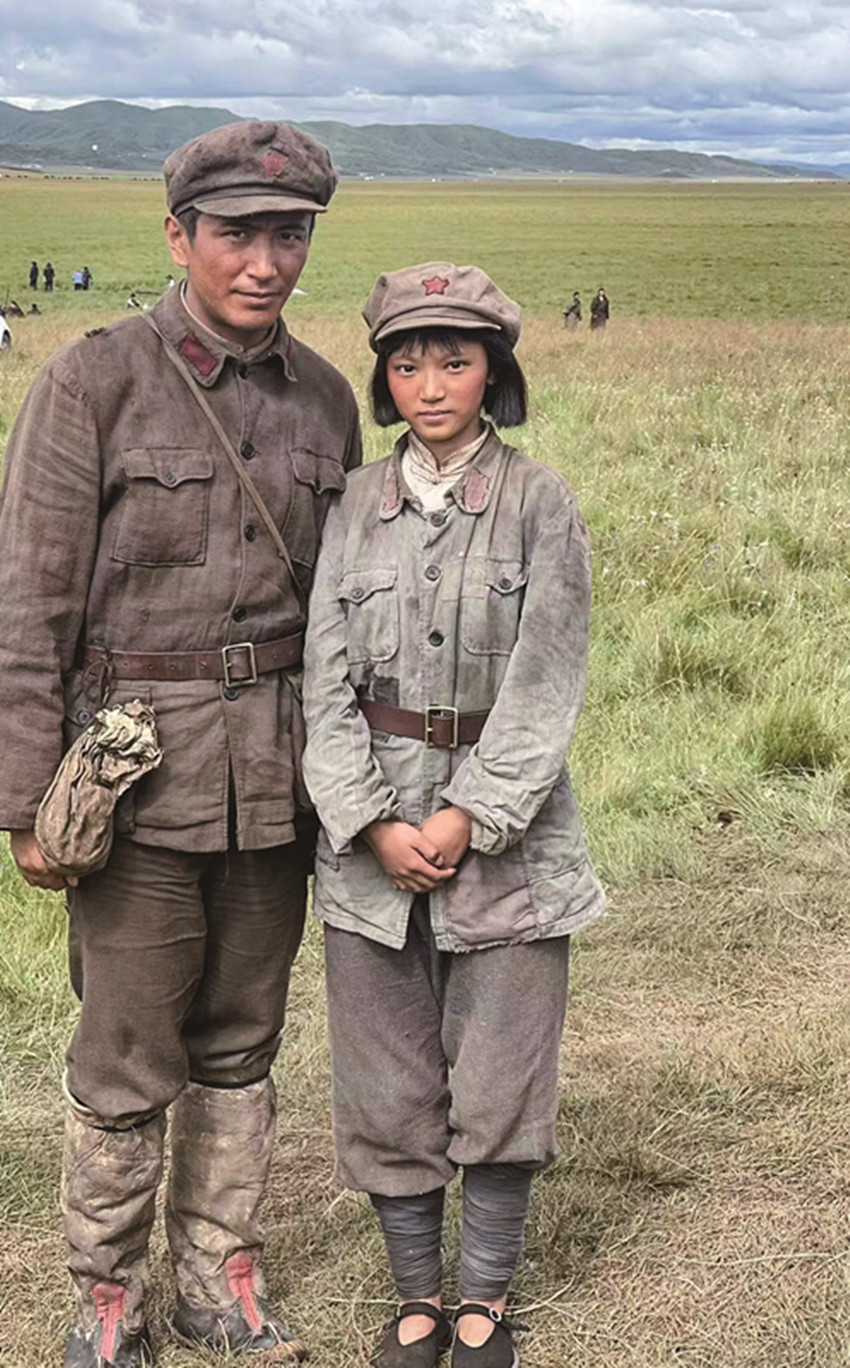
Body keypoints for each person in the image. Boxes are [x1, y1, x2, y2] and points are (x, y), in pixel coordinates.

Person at [0, 120, 361, 1368]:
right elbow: (28, 607)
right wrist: (25, 805)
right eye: (237, 234)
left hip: (278, 781)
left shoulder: (327, 399)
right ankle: (107, 1298)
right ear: (177, 235)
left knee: (242, 1042)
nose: (265, 261)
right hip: (133, 787)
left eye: (289, 234)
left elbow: (343, 613)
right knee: (124, 1050)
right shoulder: (92, 381)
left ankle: (219, 1281)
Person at [302, 263, 604, 1368]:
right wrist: (370, 821)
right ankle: (416, 1299)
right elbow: (321, 682)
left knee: (503, 1069)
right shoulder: (350, 505)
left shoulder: (540, 502)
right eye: (407, 364)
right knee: (385, 1074)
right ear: (384, 378)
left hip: (509, 838)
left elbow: (547, 678)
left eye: (455, 362)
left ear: (494, 374)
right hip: (369, 841)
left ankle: (484, 1300)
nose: (430, 386)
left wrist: (472, 814)